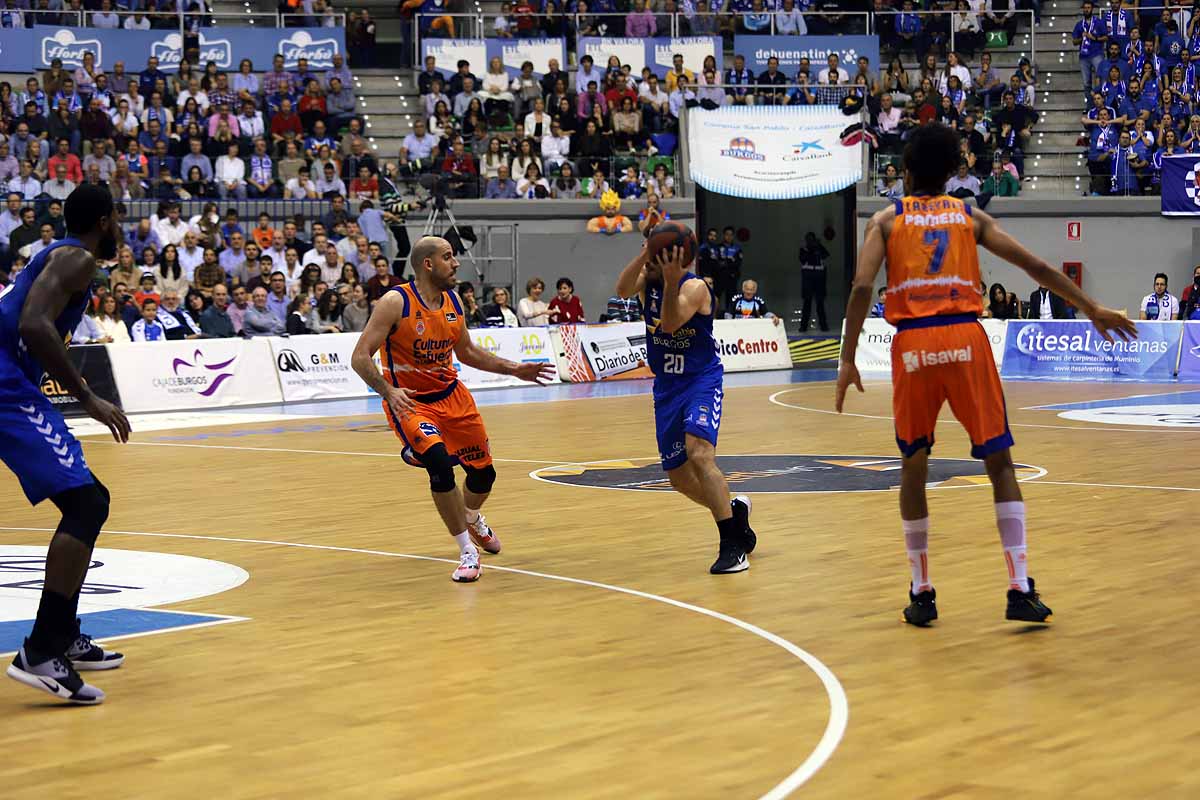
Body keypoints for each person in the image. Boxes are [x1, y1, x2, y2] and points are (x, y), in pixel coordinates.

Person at [835, 123, 1136, 628]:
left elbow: (862, 285)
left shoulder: (886, 221)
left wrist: (847, 357)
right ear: (954, 173)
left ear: (906, 173)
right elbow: (1036, 266)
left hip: (913, 345)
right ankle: (1019, 586)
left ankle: (922, 589)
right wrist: (1090, 307)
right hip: (966, 339)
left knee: (914, 464)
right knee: (1000, 463)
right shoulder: (968, 216)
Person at [350, 236, 555, 583]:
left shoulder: (454, 302)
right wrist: (388, 390)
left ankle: (472, 517)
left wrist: (514, 368)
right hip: (411, 402)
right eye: (448, 257)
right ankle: (466, 551)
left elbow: (469, 353)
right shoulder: (394, 302)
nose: (456, 263)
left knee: (483, 475)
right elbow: (359, 357)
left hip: (453, 395)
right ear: (428, 264)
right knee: (441, 466)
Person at [0, 183, 129, 704]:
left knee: (87, 501)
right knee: (87, 502)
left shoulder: (62, 255)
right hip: (5, 381)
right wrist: (89, 398)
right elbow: (32, 324)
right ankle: (42, 651)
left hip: (12, 380)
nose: (119, 223)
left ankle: (63, 634)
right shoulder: (77, 258)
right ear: (104, 221)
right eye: (116, 215)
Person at [614, 235, 757, 573]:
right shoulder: (647, 279)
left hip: (700, 380)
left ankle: (732, 546)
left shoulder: (695, 288)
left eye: (658, 255)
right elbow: (621, 289)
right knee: (678, 478)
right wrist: (645, 254)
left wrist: (668, 279)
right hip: (666, 386)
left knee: (700, 454)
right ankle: (734, 510)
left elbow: (672, 321)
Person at [798, 232, 830, 332]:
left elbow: (826, 255)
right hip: (808, 277)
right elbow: (802, 259)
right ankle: (803, 326)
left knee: (820, 303)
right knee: (807, 303)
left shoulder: (819, 248)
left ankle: (823, 325)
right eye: (809, 240)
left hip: (819, 277)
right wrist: (810, 249)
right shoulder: (803, 249)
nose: (811, 242)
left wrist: (819, 246)